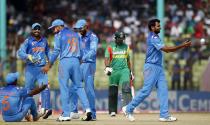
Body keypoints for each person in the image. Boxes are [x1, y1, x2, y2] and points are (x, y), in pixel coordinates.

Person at [122, 19, 191, 122]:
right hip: (151, 67)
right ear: (152, 28)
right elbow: (167, 50)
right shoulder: (153, 37)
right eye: (158, 26)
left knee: (163, 91)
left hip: (158, 67)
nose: (160, 27)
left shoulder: (157, 37)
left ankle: (164, 115)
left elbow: (166, 51)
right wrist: (182, 45)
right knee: (146, 91)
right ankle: (128, 108)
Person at [42, 19, 92, 121]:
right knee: (79, 87)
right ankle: (88, 110)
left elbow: (56, 51)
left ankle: (66, 114)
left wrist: (49, 64)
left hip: (65, 62)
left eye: (54, 28)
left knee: (64, 87)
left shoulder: (59, 35)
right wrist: (80, 59)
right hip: (76, 62)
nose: (53, 30)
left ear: (59, 26)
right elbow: (81, 50)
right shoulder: (75, 34)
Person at [17, 23, 52, 119]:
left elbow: (48, 52)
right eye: (35, 29)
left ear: (40, 30)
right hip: (30, 69)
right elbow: (20, 52)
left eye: (38, 29)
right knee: (28, 90)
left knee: (45, 86)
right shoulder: (28, 41)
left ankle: (44, 109)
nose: (37, 31)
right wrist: (28, 56)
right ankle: (27, 111)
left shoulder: (44, 40)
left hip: (42, 68)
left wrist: (49, 64)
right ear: (32, 30)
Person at [69, 19, 98, 120]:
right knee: (73, 86)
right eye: (77, 29)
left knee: (89, 89)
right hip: (79, 64)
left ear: (86, 26)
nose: (79, 30)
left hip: (89, 64)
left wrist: (83, 58)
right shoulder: (77, 36)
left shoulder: (93, 37)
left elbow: (93, 50)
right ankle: (73, 111)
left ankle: (92, 114)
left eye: (80, 28)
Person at [104, 31, 134, 117]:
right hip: (113, 71)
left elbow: (128, 60)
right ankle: (112, 111)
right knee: (113, 91)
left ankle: (127, 109)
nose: (121, 41)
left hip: (124, 70)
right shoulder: (110, 47)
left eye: (122, 39)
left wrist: (130, 71)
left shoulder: (126, 47)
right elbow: (106, 58)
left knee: (126, 89)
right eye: (120, 39)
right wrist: (107, 67)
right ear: (115, 38)